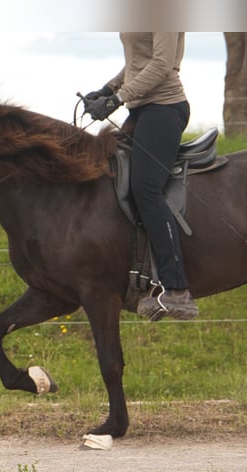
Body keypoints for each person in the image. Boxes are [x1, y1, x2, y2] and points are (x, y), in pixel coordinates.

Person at [85, 32, 198, 321]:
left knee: (146, 189)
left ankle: (177, 289)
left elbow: (161, 64)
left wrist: (118, 99)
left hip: (164, 107)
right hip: (141, 109)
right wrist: (107, 90)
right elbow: (136, 62)